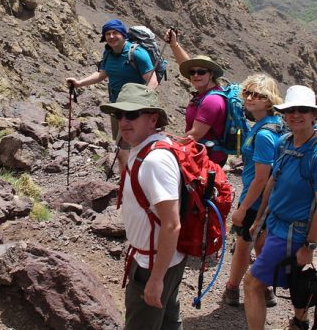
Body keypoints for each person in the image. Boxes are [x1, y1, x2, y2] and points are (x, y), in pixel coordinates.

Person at [100, 83, 185, 329]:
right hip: (164, 259)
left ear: (153, 118)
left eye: (133, 114)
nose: (124, 121)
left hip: (154, 263)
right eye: (120, 115)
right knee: (169, 320)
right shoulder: (146, 148)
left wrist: (156, 279)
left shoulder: (155, 160)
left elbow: (172, 224)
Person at [244, 85, 317, 330]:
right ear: (284, 114)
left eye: (303, 110)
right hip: (276, 224)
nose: (296, 115)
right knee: (297, 280)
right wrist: (260, 220)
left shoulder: (315, 154)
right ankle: (300, 321)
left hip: (295, 232)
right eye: (291, 110)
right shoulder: (286, 142)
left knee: (252, 283)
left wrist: (310, 246)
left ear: (313, 115)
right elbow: (272, 182)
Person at [67, 19, 158, 173]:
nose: (111, 37)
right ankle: (128, 183)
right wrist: (79, 83)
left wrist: (141, 106)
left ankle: (130, 183)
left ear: (123, 34)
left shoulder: (137, 53)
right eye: (107, 34)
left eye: (115, 33)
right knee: (124, 147)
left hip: (136, 110)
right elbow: (102, 74)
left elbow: (152, 81)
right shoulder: (108, 53)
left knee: (126, 148)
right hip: (117, 108)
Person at [223, 74, 283, 307]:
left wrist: (243, 208)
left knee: (242, 245)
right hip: (268, 201)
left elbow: (261, 178)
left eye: (258, 95)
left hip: (255, 201)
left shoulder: (264, 134)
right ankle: (265, 289)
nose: (250, 98)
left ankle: (232, 289)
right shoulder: (269, 126)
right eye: (248, 93)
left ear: (269, 101)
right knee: (260, 243)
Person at [165, 28, 227, 166]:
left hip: (206, 158)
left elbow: (195, 134)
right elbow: (184, 63)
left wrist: (169, 148)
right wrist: (174, 44)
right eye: (192, 72)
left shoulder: (212, 100)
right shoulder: (204, 91)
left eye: (201, 72)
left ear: (211, 74)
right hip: (200, 153)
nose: (195, 75)